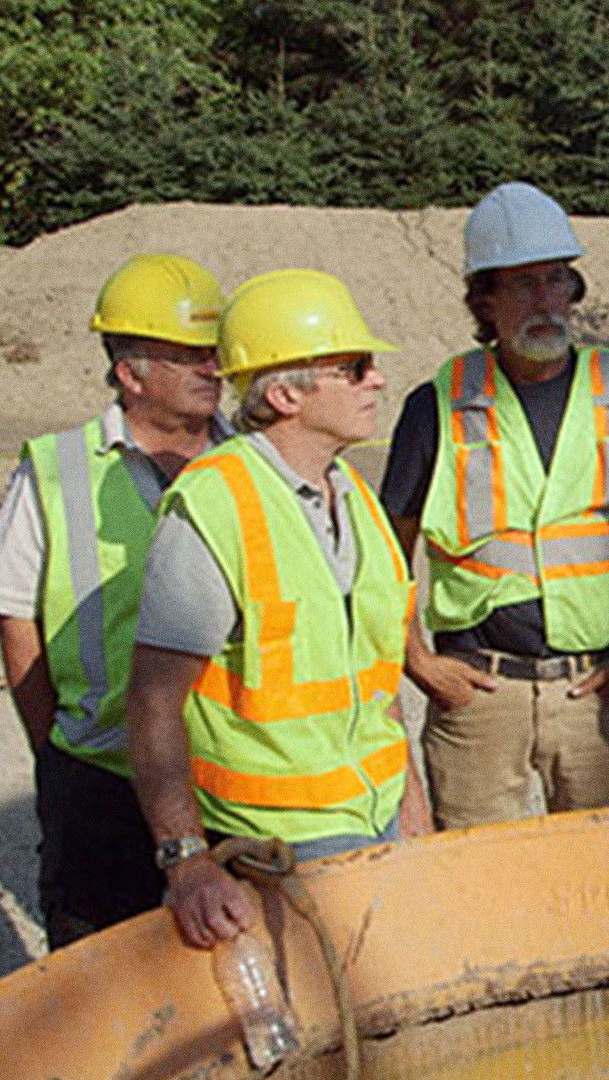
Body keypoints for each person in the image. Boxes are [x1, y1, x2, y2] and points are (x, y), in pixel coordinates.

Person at [125, 269, 427, 950]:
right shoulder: (215, 505)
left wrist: (412, 807)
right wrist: (187, 861)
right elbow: (151, 703)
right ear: (287, 393)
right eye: (354, 368)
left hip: (373, 823)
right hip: (277, 846)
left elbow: (376, 683)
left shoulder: (353, 493)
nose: (376, 381)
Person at [380, 182, 609, 827]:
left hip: (597, 692)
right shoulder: (437, 403)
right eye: (521, 286)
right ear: (484, 302)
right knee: (478, 890)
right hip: (480, 697)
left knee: (599, 884)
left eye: (555, 280)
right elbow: (387, 551)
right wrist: (418, 663)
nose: (544, 302)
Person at [0, 254, 229, 949]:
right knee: (105, 980)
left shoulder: (253, 462)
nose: (213, 369)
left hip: (228, 771)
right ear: (129, 372)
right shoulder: (58, 470)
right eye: (188, 357)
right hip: (103, 779)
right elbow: (12, 610)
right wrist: (55, 750)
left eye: (215, 353)